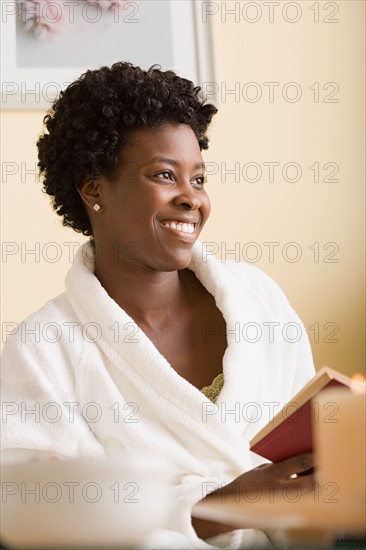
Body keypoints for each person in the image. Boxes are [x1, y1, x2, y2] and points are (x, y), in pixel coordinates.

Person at [1, 62, 315, 548]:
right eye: (164, 175)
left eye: (199, 178)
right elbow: (31, 516)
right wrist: (217, 506)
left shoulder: (259, 300)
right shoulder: (43, 350)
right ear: (93, 188)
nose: (192, 199)